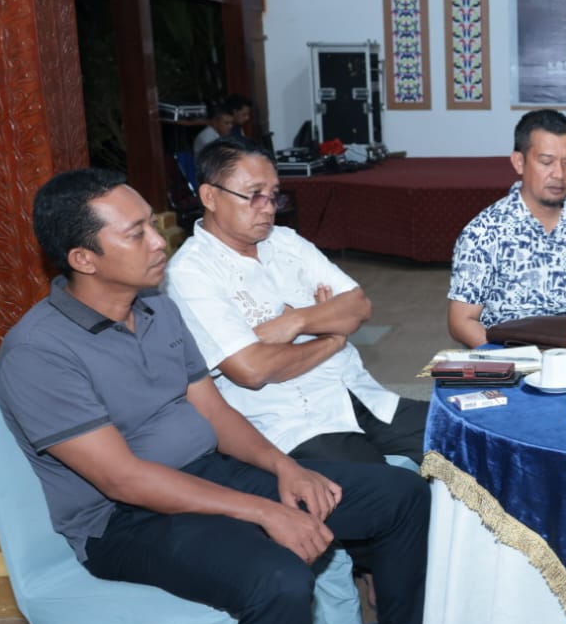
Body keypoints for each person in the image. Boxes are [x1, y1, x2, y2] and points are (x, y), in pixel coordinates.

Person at [0, 168, 429, 624]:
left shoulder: (157, 310)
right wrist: (264, 511)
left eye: (152, 223)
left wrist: (284, 470)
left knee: (398, 495)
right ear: (83, 258)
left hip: (210, 473)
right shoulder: (38, 351)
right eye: (136, 233)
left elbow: (214, 412)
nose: (158, 241)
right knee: (278, 579)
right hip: (125, 523)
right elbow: (123, 481)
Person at [164, 135, 427, 465]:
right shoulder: (190, 273)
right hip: (295, 422)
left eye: (273, 195)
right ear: (210, 196)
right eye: (254, 195)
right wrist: (331, 336)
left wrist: (296, 321)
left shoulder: (286, 242)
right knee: (390, 488)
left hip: (360, 395)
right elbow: (252, 370)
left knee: (468, 436)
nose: (268, 207)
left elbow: (359, 305)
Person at [447, 109, 566, 347]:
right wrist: (514, 361)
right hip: (510, 356)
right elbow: (461, 321)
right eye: (546, 162)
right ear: (519, 162)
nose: (560, 174)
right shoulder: (484, 232)